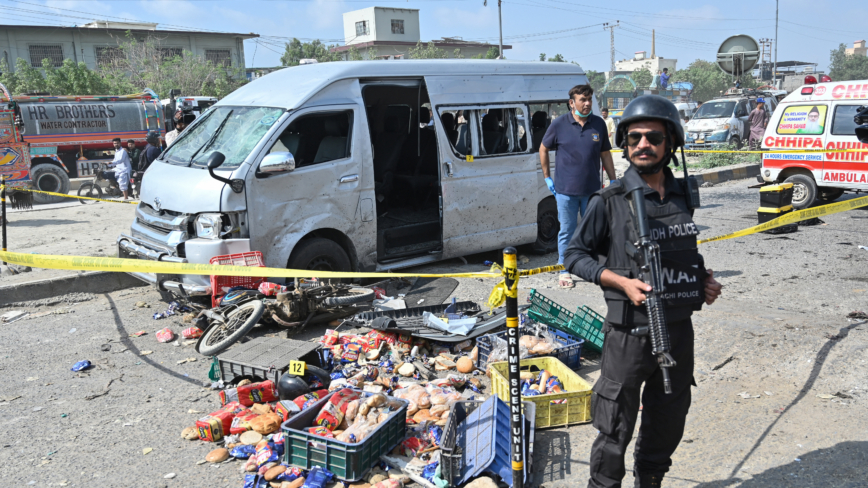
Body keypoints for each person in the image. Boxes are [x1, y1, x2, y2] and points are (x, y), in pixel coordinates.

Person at [564, 95, 722, 488]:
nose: (642, 145)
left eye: (653, 137)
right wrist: (618, 281)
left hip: (678, 330)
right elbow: (574, 255)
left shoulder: (683, 195)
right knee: (614, 429)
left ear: (671, 143)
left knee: (668, 420)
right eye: (634, 138)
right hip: (628, 334)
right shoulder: (610, 200)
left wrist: (703, 281)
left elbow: (683, 251)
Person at [540, 84, 617, 289]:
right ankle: (564, 270)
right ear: (571, 103)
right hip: (565, 191)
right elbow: (543, 148)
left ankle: (592, 266)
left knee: (594, 229)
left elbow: (605, 154)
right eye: (582, 100)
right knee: (567, 230)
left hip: (592, 190)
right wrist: (547, 177)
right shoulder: (559, 124)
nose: (587, 103)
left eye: (589, 99)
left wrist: (613, 179)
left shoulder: (598, 124)